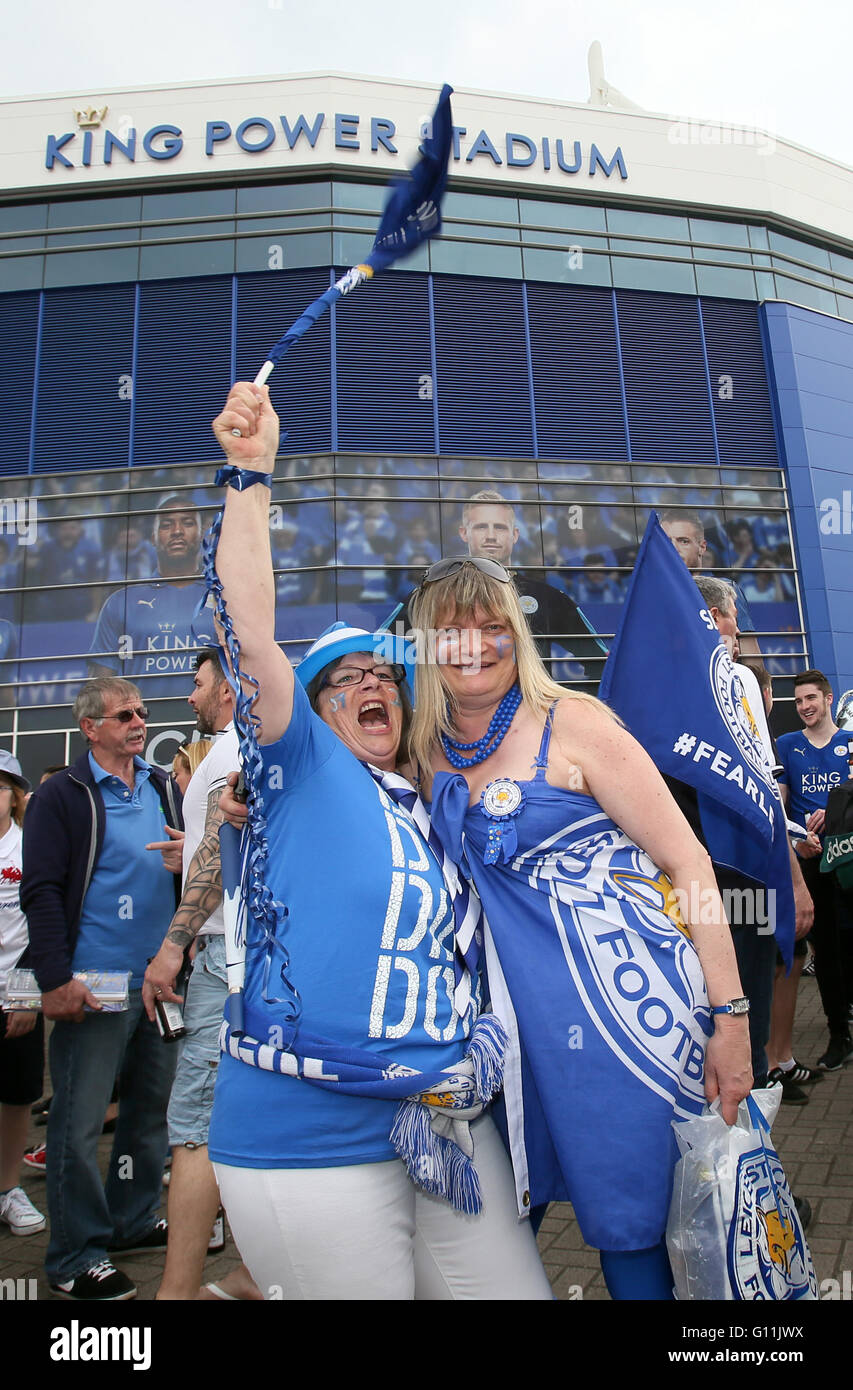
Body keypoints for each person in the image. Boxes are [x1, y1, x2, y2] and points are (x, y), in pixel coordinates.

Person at [201, 381, 551, 1302]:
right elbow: (246, 633)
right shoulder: (299, 767)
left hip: (440, 1123)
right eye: (345, 678)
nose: (374, 686)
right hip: (306, 1132)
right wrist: (250, 476)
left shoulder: (428, 803)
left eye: (387, 677)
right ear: (309, 710)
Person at [406, 555, 753, 1301]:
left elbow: (689, 864)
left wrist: (730, 1016)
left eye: (491, 627)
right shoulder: (420, 747)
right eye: (450, 630)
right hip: (499, 1040)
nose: (472, 645)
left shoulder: (575, 722)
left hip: (625, 1020)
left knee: (632, 1233)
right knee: (491, 1236)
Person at [21, 678, 184, 1302]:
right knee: (79, 1123)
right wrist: (56, 979)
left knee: (147, 1119)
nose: (139, 722)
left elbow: (188, 869)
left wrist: (181, 861)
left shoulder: (163, 785)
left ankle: (131, 1221)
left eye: (142, 712)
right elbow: (40, 890)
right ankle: (73, 1254)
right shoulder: (61, 794)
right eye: (124, 715)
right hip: (94, 983)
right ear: (90, 727)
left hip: (158, 980)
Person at [143, 649, 260, 1302]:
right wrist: (189, 855)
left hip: (224, 960)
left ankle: (176, 1293)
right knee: (241, 1116)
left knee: (194, 1127)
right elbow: (222, 847)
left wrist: (170, 948)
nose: (189, 698)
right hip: (240, 956)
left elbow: (224, 853)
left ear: (227, 686)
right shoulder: (239, 748)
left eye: (196, 683)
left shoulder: (235, 748)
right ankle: (251, 1272)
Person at [740, 659, 823, 1102]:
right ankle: (763, 1067)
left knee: (785, 955)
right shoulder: (752, 739)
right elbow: (769, 809)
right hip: (748, 879)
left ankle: (777, 1060)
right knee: (765, 961)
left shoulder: (764, 739)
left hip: (751, 875)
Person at [777, 669, 853, 1071]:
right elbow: (781, 805)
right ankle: (839, 1033)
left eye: (811, 698)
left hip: (849, 858)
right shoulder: (788, 746)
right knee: (825, 950)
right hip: (812, 861)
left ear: (828, 699)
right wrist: (796, 840)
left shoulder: (850, 742)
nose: (804, 706)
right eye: (798, 701)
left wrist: (838, 808)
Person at [455, 490, 603, 679]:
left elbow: (600, 662)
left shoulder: (548, 598)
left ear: (515, 535)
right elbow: (403, 651)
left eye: (500, 527)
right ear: (464, 533)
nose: (491, 536)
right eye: (481, 527)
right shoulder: (437, 595)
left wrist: (566, 706)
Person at [88, 495, 217, 699]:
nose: (177, 531)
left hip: (213, 725)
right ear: (153, 537)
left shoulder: (223, 597)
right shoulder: (121, 602)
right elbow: (101, 685)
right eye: (166, 525)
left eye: (188, 523)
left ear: (202, 534)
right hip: (144, 724)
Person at [0, 751, 46, 1237]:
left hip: (15, 996)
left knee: (15, 1100)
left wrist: (25, 994)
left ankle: (8, 1187)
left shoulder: (31, 848)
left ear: (15, 798)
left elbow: (44, 925)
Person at [659, 509, 759, 657]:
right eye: (667, 542)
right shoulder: (654, 591)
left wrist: (755, 679)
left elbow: (750, 653)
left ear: (702, 547)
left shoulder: (726, 588)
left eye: (683, 541)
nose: (673, 548)